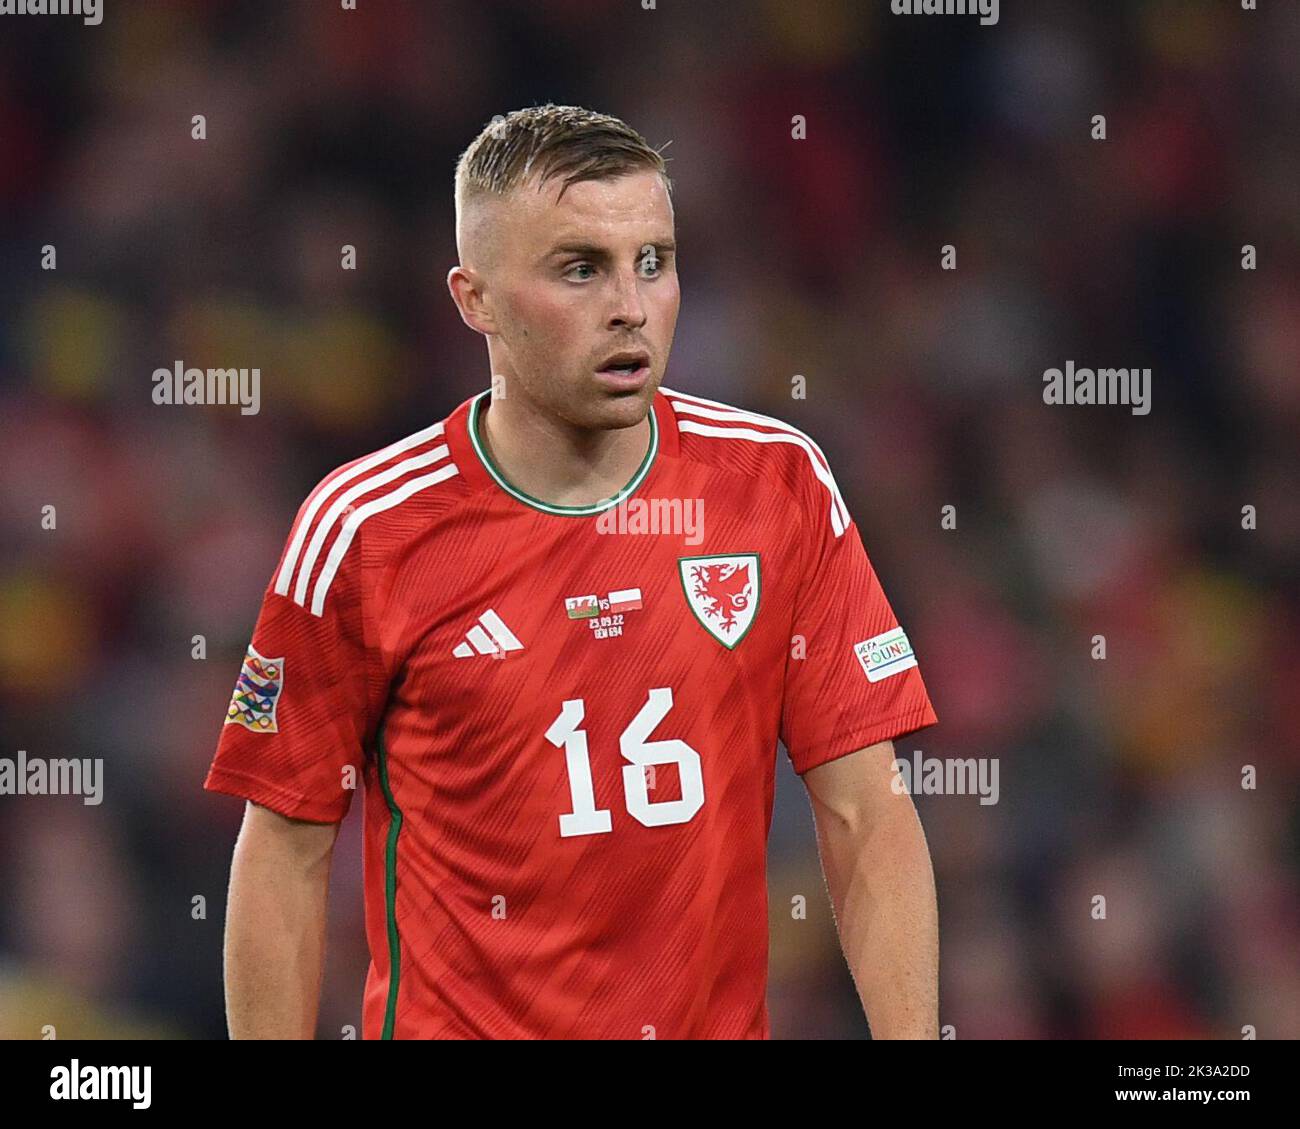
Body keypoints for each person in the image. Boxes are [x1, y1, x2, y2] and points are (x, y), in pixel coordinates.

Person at [205, 103, 939, 1039]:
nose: (630, 304)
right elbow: (282, 851)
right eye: (581, 268)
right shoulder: (366, 530)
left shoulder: (778, 483)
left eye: (655, 261)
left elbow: (868, 814)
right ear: (475, 300)